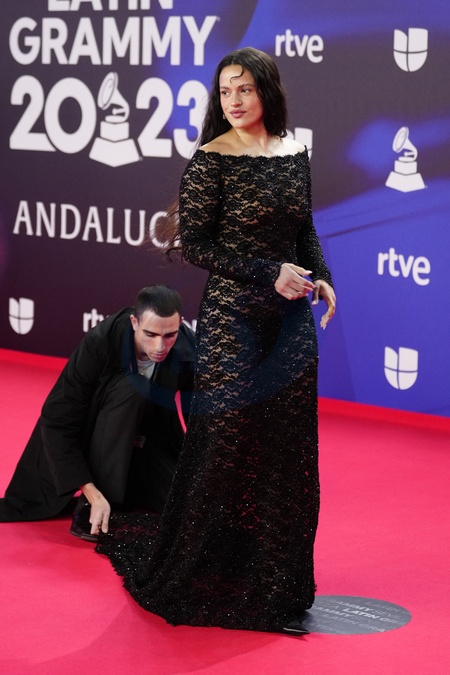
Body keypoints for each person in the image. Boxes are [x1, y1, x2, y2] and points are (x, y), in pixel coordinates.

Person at [96, 47, 336, 635]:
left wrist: (322, 276)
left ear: (267, 91)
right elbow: (197, 246)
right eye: (225, 90)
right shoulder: (210, 159)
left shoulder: (294, 152)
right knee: (224, 447)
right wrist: (268, 272)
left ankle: (276, 586)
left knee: (286, 453)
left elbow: (303, 228)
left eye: (244, 89)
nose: (233, 100)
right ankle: (205, 572)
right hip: (234, 326)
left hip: (290, 327)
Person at [0, 285, 195, 542]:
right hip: (94, 438)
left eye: (170, 335)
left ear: (180, 324)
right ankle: (99, 502)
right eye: (150, 334)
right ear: (134, 322)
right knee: (133, 388)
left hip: (148, 443)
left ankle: (129, 485)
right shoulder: (100, 341)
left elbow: (200, 419)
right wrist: (92, 493)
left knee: (190, 508)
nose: (160, 346)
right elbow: (57, 419)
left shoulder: (187, 347)